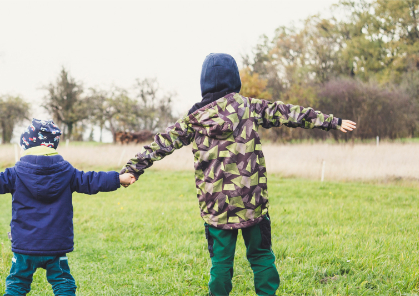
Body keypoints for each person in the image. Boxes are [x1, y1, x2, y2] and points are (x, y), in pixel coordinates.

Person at [120, 53, 357, 296]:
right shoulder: (250, 107)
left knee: (221, 263)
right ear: (235, 79)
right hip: (252, 201)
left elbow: (160, 144)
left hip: (216, 206)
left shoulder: (193, 120)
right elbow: (288, 112)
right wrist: (332, 121)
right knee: (261, 255)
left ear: (204, 82)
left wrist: (132, 169)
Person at [0, 119, 135, 296]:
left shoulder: (16, 173)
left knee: (17, 283)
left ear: (27, 145)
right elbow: (92, 180)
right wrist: (118, 179)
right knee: (63, 282)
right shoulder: (68, 172)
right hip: (56, 245)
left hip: (25, 245)